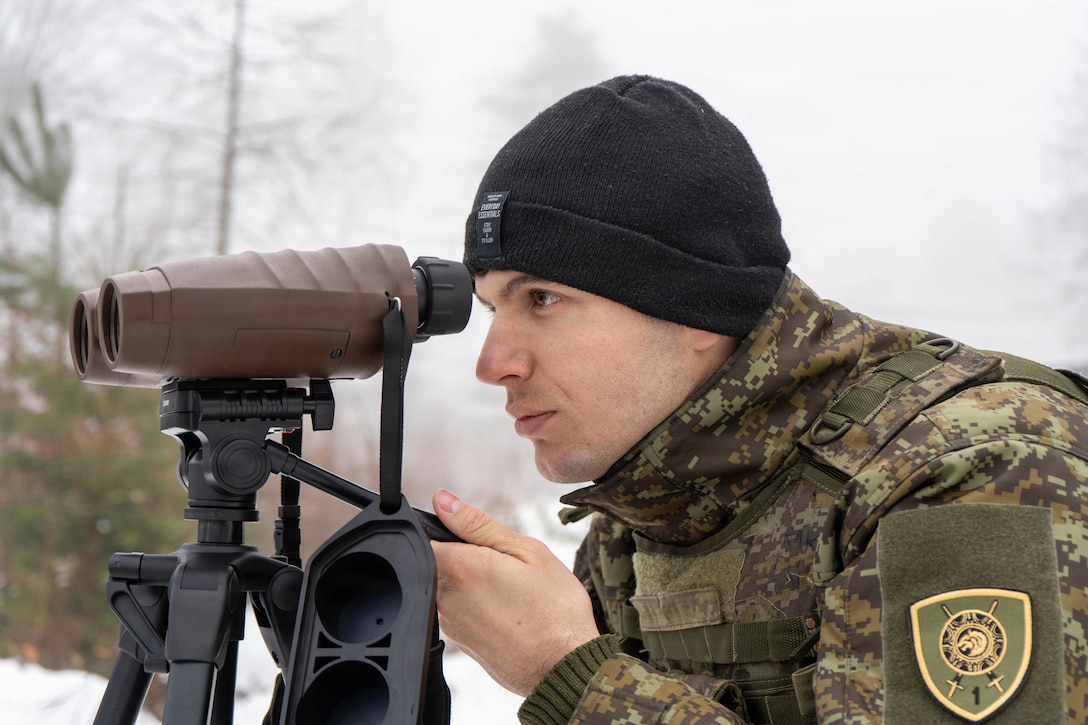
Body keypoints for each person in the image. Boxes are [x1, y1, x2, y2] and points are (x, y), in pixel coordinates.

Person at [428, 75, 1088, 724]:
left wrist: (569, 675)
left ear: (695, 310)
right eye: (492, 308)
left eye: (542, 299)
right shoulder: (645, 512)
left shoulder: (976, 470)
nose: (494, 363)